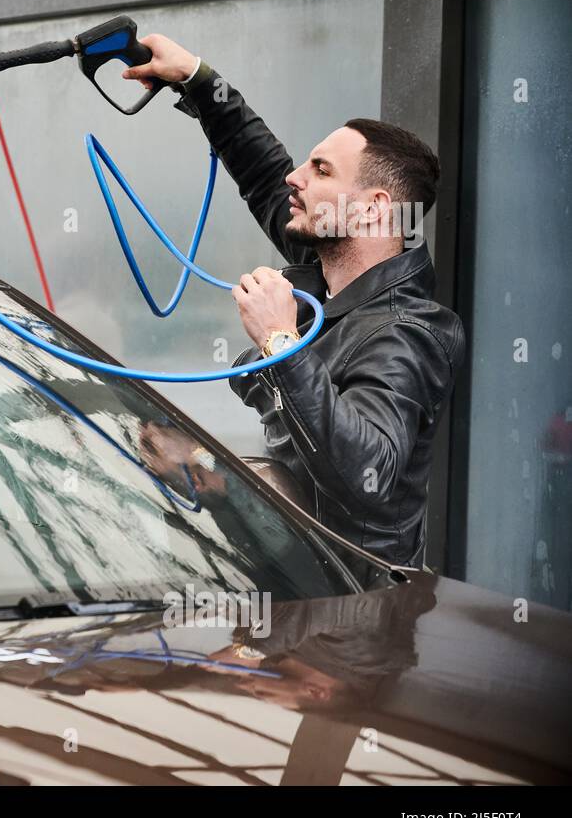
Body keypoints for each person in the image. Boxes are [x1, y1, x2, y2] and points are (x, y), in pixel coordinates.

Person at [123, 37, 465, 567]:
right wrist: (196, 78)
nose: (295, 177)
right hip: (289, 587)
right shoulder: (331, 267)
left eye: (321, 170)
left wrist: (282, 342)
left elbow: (366, 476)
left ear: (374, 209)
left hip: (351, 621)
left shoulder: (409, 332)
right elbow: (265, 174)